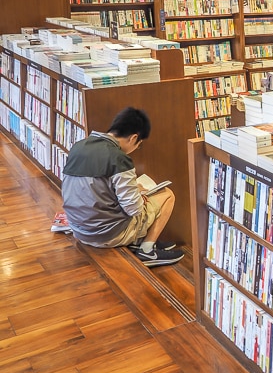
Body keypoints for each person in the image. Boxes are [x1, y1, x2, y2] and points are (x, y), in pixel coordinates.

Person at [61, 107, 184, 267]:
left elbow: (95, 189)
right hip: (107, 235)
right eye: (139, 145)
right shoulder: (119, 159)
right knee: (167, 194)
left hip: (78, 229)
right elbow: (134, 209)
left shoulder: (78, 147)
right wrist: (140, 197)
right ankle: (147, 250)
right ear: (134, 138)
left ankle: (138, 242)